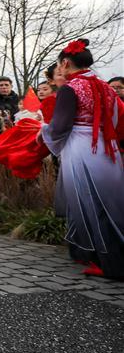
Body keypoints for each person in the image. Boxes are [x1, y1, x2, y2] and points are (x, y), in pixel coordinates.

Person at [39, 39, 124, 278]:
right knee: (110, 203)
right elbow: (116, 119)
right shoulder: (105, 86)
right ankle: (105, 256)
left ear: (65, 63)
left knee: (89, 204)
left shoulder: (70, 88)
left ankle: (109, 264)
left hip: (82, 148)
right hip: (107, 148)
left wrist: (43, 131)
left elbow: (59, 127)